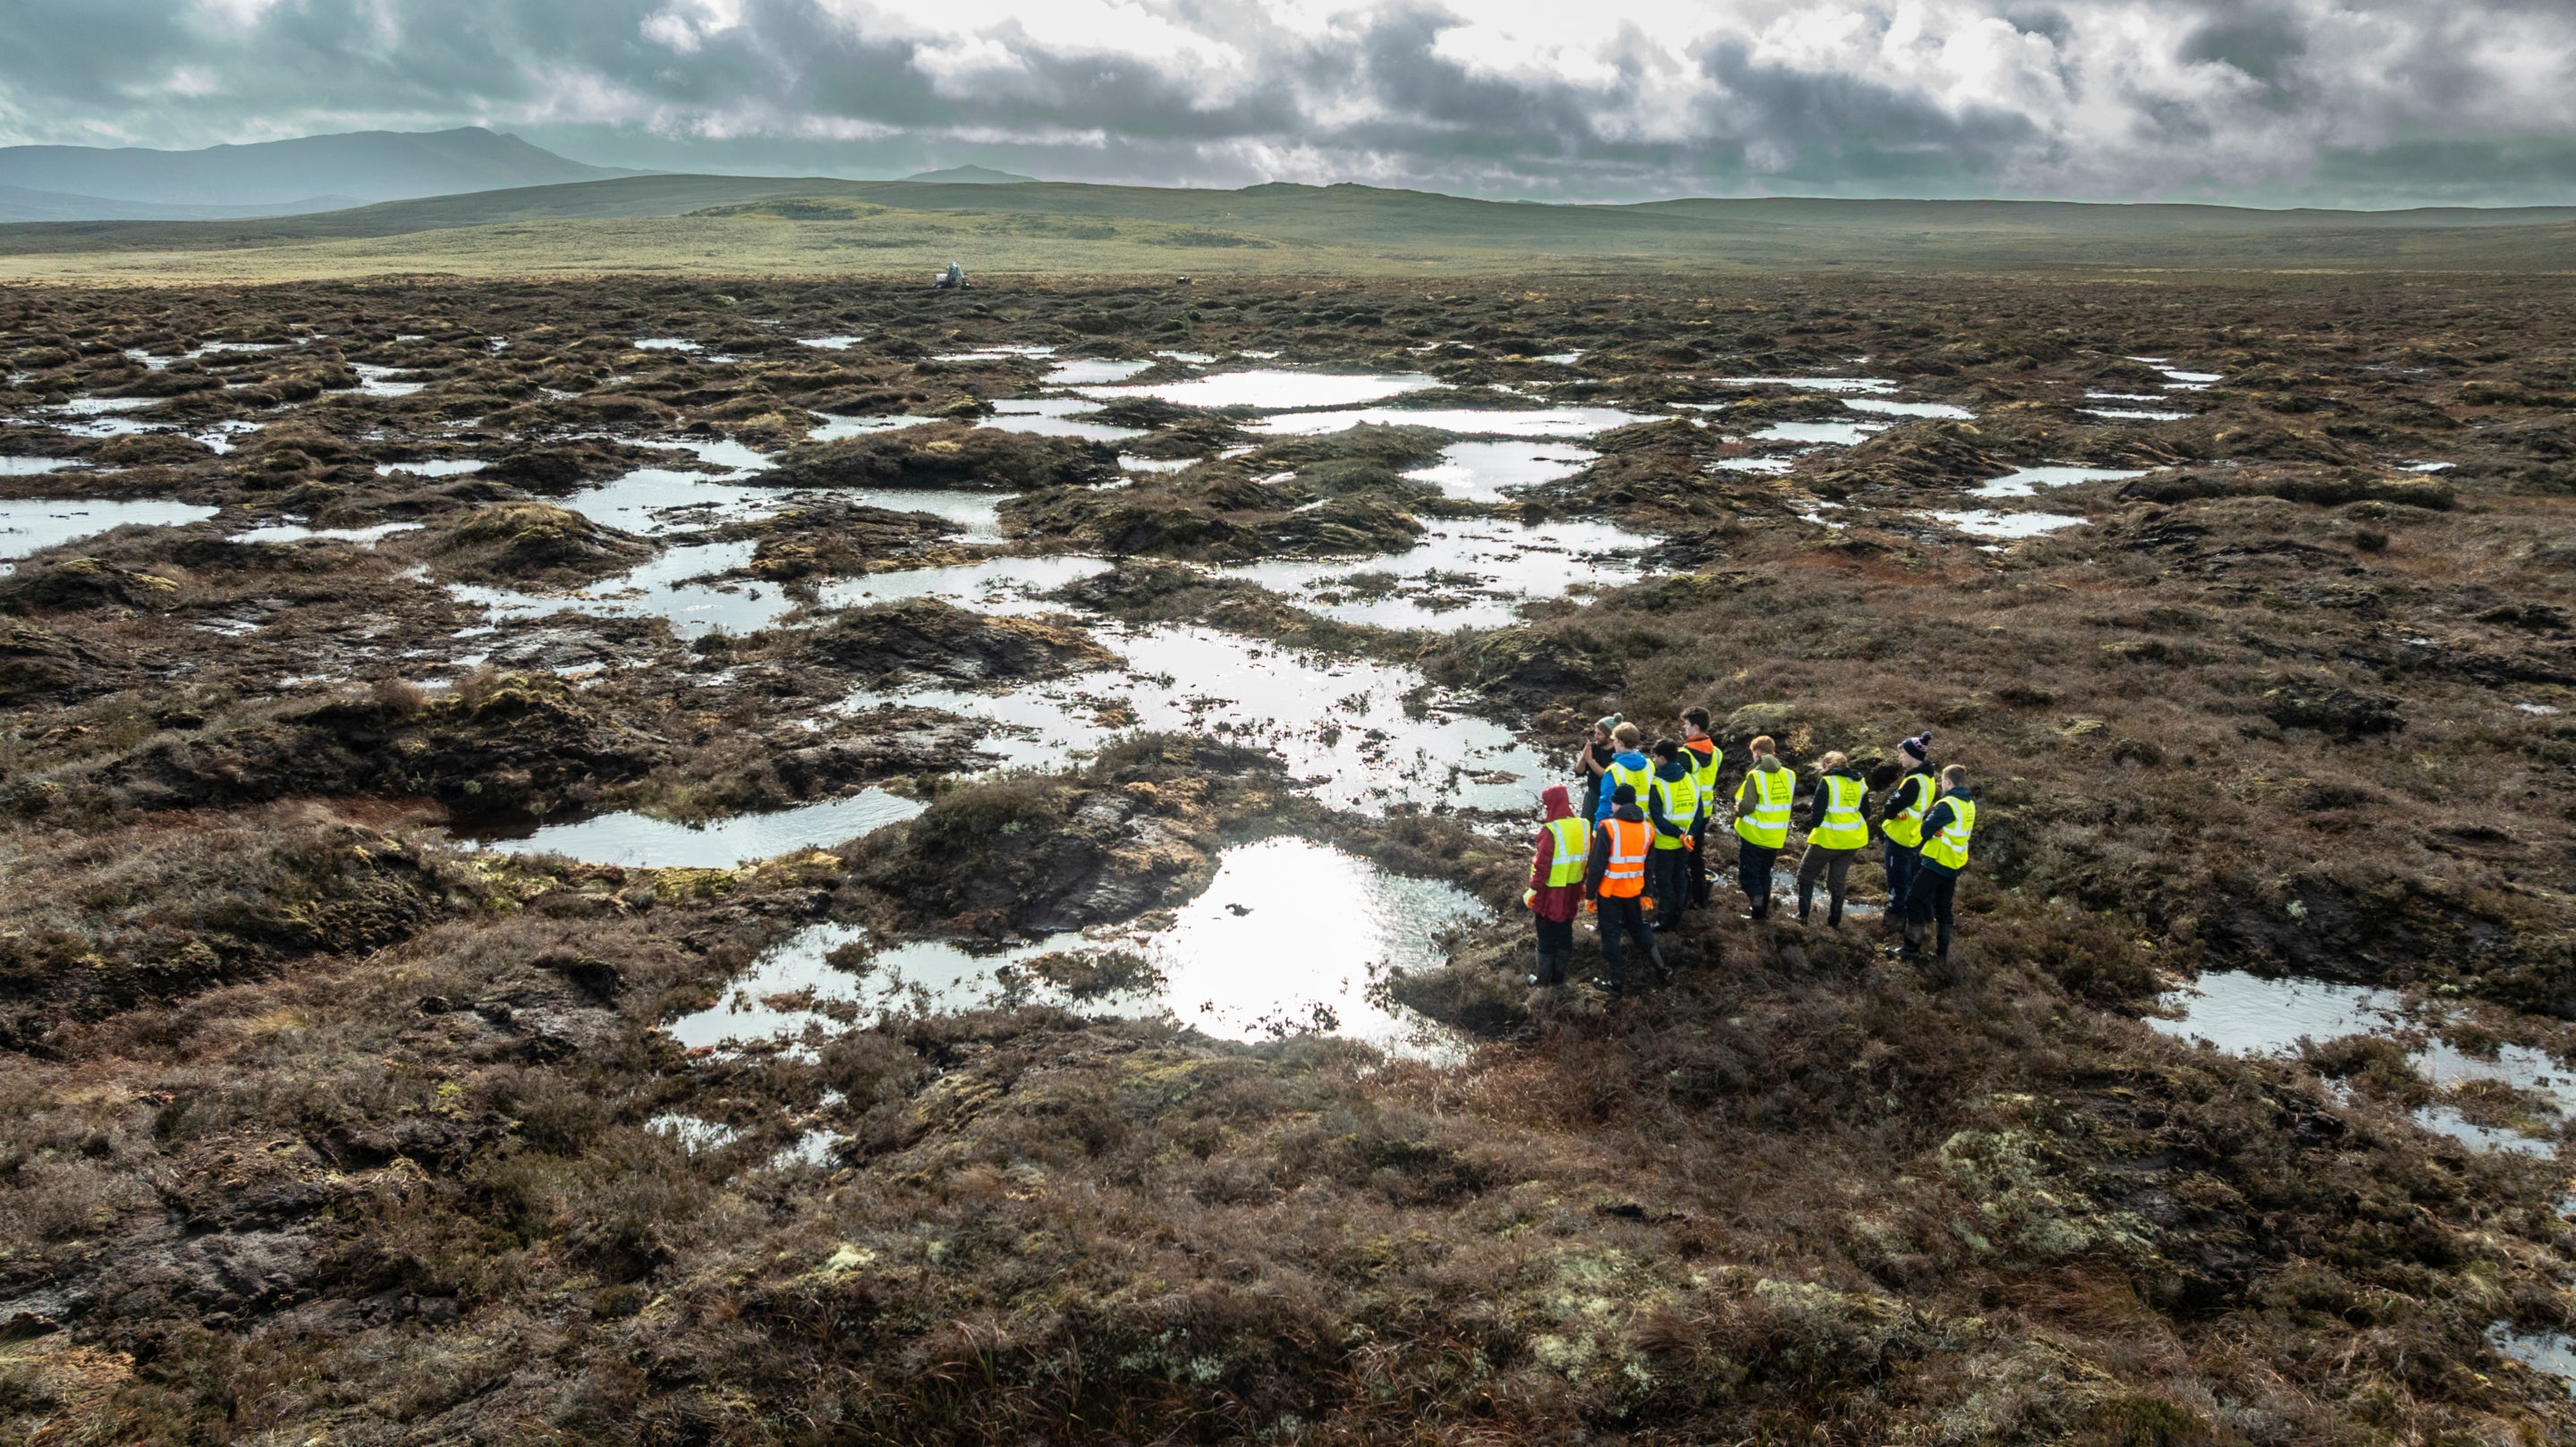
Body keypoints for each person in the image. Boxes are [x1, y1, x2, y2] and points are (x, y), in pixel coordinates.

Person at [1583, 783, 1667, 995]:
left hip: (1609, 892)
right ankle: (1662, 970)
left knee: (1610, 935)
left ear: (1616, 804)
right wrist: (1646, 893)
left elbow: (1597, 865)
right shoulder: (1647, 829)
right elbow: (1650, 865)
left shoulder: (1608, 828)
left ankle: (1616, 983)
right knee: (1638, 928)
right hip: (1634, 891)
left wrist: (1590, 895)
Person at [1897, 766, 1977, 964]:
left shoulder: (1947, 804)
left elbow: (1925, 828)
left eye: (1943, 780)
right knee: (1944, 907)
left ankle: (1910, 948)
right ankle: (1942, 954)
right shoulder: (1969, 805)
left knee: (1913, 899)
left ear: (1948, 781)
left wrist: (1932, 830)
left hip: (1938, 861)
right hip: (1955, 862)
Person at [1795, 750, 1869, 927]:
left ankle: (1802, 916)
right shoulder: (1860, 782)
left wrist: (1814, 827)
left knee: (1805, 874)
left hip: (1828, 838)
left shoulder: (1828, 781)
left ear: (1828, 765)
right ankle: (1834, 920)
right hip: (1852, 840)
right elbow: (1866, 812)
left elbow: (1817, 814)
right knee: (1837, 881)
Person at [1523, 784, 1589, 986]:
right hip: (1573, 890)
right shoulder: (1583, 826)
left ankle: (1543, 980)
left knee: (1546, 936)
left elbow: (1542, 865)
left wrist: (1533, 888)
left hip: (1550, 893)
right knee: (1565, 931)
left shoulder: (1551, 831)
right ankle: (1559, 977)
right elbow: (1590, 857)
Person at [1877, 732, 1937, 926]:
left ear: (1912, 755)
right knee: (1911, 881)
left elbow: (1889, 809)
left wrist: (1893, 810)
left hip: (1900, 837)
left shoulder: (1913, 782)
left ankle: (1893, 922)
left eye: (1902, 753)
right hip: (1914, 836)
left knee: (1897, 883)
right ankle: (1920, 919)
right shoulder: (1929, 779)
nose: (1900, 757)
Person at [1732, 734, 1794, 919]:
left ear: (1757, 753)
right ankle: (1762, 913)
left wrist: (1737, 810)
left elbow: (1748, 806)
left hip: (1754, 835)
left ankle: (1757, 906)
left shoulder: (1755, 775)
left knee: (1749, 877)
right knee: (1765, 874)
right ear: (1773, 753)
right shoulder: (1790, 775)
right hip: (1776, 836)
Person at [1646, 739, 1703, 931]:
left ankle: (1664, 920)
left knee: (1664, 882)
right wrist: (1690, 834)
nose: (1654, 760)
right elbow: (1699, 812)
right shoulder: (1691, 779)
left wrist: (1678, 834)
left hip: (1665, 843)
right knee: (1679, 877)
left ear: (1662, 758)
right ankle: (1677, 914)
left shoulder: (1658, 783)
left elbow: (1657, 817)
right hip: (1686, 841)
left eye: (1655, 757)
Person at [1679, 707, 1722, 909]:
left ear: (1695, 727)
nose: (1684, 729)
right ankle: (1700, 897)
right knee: (1696, 855)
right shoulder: (1718, 753)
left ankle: (1682, 897)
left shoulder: (1685, 755)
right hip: (1706, 811)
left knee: (1681, 855)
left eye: (1686, 725)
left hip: (1687, 812)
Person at [1591, 723, 1651, 825]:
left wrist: (1598, 828)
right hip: (1644, 825)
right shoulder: (1649, 765)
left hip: (1620, 826)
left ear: (1620, 742)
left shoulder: (1613, 770)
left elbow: (1606, 803)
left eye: (1614, 740)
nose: (1613, 743)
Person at [1573, 715, 1620, 822]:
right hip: (1592, 795)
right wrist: (1584, 757)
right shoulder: (1594, 748)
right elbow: (1579, 771)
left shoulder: (1616, 753)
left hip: (1609, 798)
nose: (1595, 736)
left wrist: (1590, 760)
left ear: (1610, 736)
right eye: (1595, 732)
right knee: (1585, 827)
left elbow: (1607, 774)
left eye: (1599, 734)